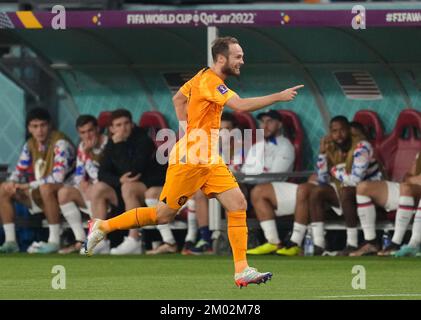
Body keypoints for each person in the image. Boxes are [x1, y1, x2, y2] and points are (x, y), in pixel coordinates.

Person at [84, 36, 303, 287]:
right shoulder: (211, 82)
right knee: (162, 215)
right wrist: (279, 96)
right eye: (238, 56)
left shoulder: (200, 76)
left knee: (237, 203)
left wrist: (188, 129)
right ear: (222, 59)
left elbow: (178, 99)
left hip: (208, 157)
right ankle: (102, 226)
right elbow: (240, 106)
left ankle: (241, 269)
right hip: (191, 159)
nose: (242, 60)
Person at [278, 116, 382, 256]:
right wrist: (322, 154)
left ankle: (352, 243)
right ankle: (318, 243)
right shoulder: (333, 147)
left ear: (349, 130)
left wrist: (334, 170)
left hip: (370, 190)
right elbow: (323, 179)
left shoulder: (361, 147)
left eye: (342, 130)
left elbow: (355, 180)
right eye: (334, 131)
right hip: (346, 189)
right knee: (315, 191)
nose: (338, 135)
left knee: (345, 191)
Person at [89, 109, 167, 255]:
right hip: (123, 189)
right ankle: (100, 240)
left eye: (126, 123)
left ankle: (134, 240)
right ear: (111, 129)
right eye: (118, 125)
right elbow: (102, 173)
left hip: (147, 188)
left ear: (132, 124)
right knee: (98, 188)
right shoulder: (112, 142)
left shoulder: (143, 140)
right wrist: (118, 180)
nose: (123, 128)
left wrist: (119, 146)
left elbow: (132, 171)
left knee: (128, 187)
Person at [0, 108, 75, 253]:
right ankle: (11, 242)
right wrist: (12, 182)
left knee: (46, 188)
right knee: (4, 188)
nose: (39, 130)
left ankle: (54, 241)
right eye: (35, 126)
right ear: (29, 128)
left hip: (64, 193)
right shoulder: (30, 144)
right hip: (40, 191)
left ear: (50, 125)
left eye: (43, 125)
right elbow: (20, 169)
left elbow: (58, 178)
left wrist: (27, 185)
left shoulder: (61, 143)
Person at [244, 110, 296, 255]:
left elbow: (276, 175)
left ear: (279, 124)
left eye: (270, 121)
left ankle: (273, 242)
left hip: (278, 188)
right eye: (262, 122)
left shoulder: (285, 146)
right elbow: (245, 171)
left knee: (255, 189)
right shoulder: (256, 147)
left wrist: (249, 180)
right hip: (251, 186)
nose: (265, 125)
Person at [351, 151, 421, 256]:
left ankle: (397, 242)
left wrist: (411, 180)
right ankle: (371, 241)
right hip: (411, 188)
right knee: (363, 188)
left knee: (406, 188)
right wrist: (412, 179)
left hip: (412, 190)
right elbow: (408, 177)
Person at [57, 115, 108, 254]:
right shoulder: (82, 146)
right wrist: (82, 183)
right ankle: (80, 240)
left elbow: (105, 174)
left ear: (97, 129)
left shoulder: (108, 144)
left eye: (90, 130)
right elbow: (79, 174)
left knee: (95, 189)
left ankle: (99, 240)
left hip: (107, 191)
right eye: (83, 132)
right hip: (91, 190)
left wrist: (88, 153)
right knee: (64, 193)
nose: (87, 135)